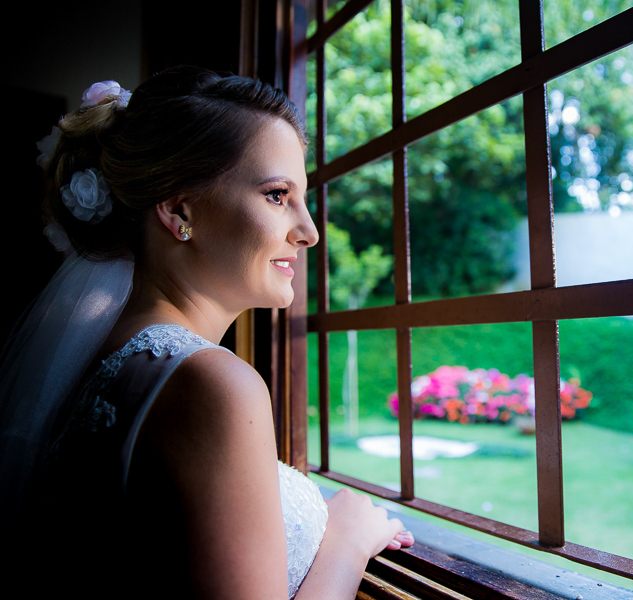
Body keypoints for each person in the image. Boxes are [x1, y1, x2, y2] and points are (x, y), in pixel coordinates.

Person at [0, 66, 412, 599]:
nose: (308, 232)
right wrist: (347, 542)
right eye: (276, 195)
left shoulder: (99, 354)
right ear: (177, 210)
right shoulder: (211, 384)